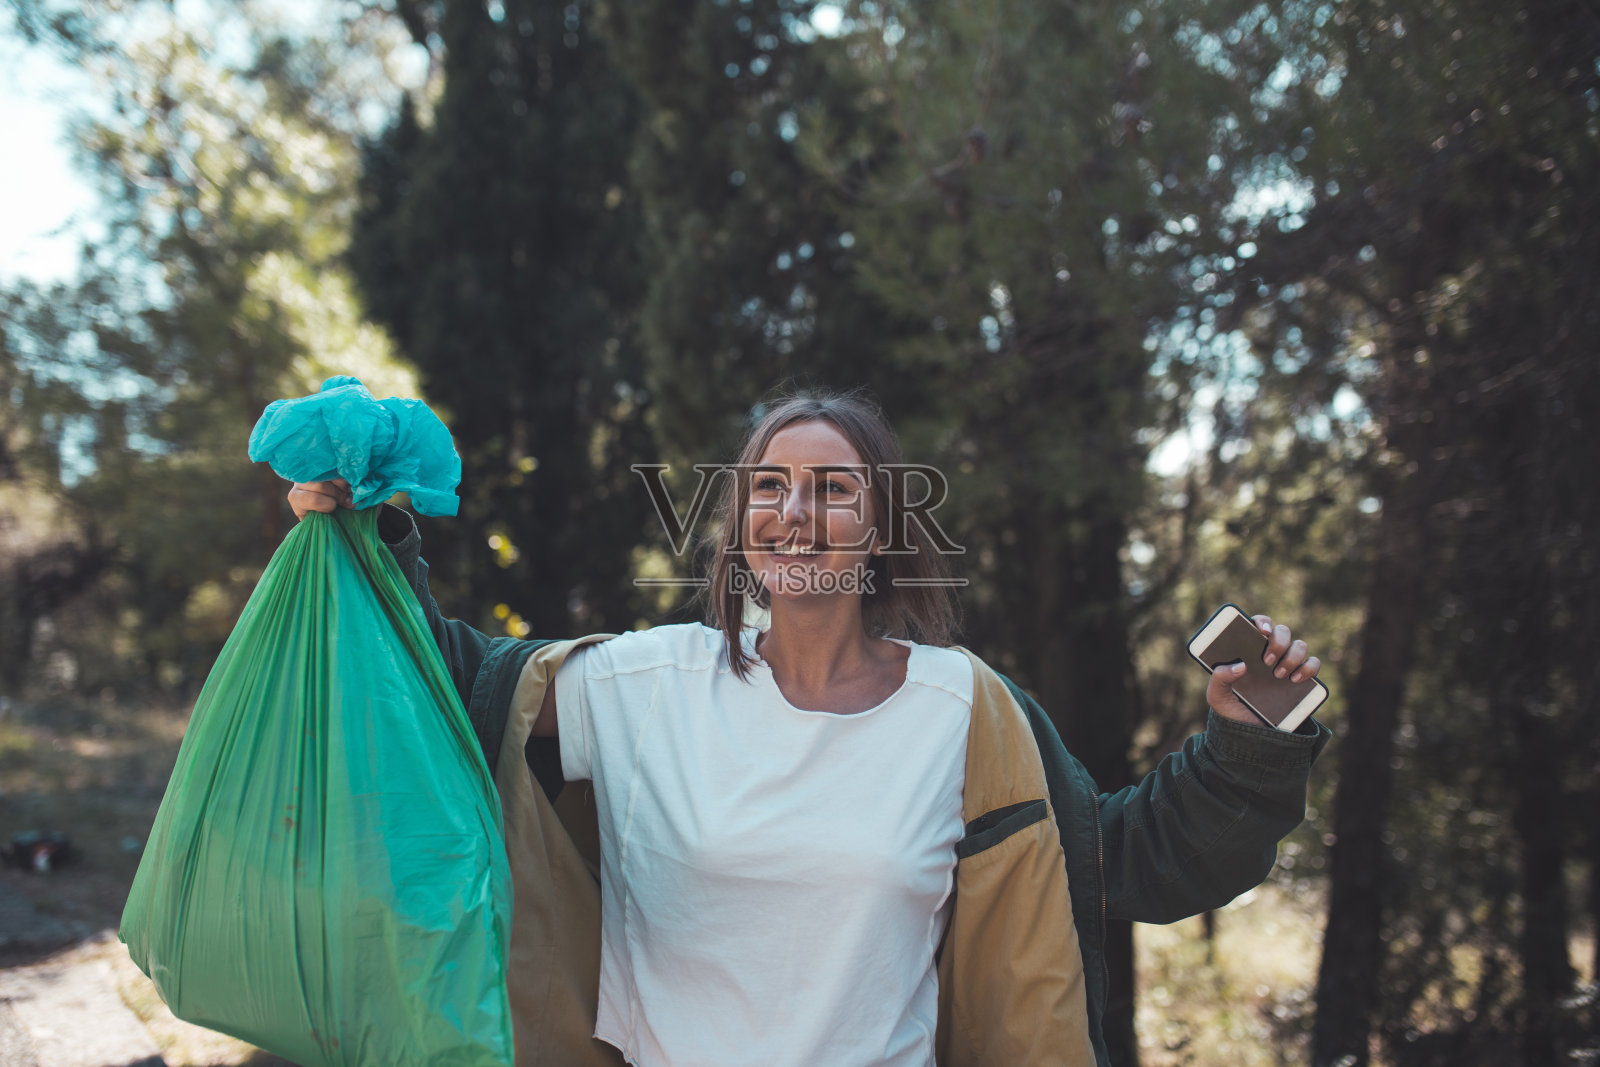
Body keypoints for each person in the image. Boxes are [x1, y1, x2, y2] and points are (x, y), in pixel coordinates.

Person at [288, 388, 1330, 1067]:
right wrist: (369, 538)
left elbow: (1121, 862)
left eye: (834, 489)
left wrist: (1244, 746)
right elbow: (441, 684)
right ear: (740, 525)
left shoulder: (964, 711)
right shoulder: (643, 685)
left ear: (877, 530)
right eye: (769, 487)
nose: (796, 511)